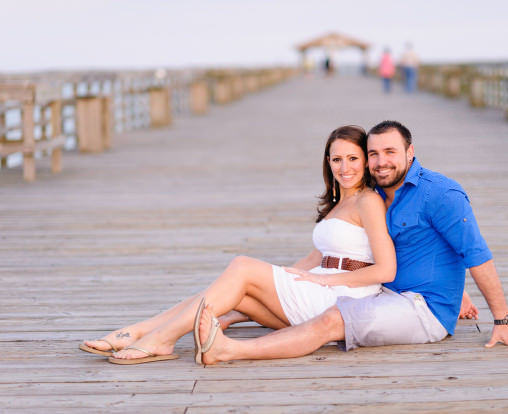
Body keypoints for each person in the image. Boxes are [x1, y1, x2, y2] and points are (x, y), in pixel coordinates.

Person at [190, 120, 508, 366]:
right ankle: (230, 319)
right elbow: (407, 246)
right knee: (293, 303)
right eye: (374, 153)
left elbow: (474, 253)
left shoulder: (441, 193)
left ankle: (228, 351)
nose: (381, 161)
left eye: (390, 151)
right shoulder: (384, 194)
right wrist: (460, 290)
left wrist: (503, 321)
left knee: (332, 319)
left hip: (423, 310)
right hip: (388, 293)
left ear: (410, 152)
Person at [81, 125, 397, 365]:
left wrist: (323, 279)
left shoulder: (368, 201)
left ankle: (160, 338)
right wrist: (288, 273)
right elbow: (320, 255)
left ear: (366, 161)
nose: (345, 168)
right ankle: (138, 331)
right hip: (319, 289)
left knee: (242, 267)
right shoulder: (338, 202)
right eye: (337, 159)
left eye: (353, 158)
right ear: (328, 162)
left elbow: (386, 269)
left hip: (342, 297)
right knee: (232, 292)